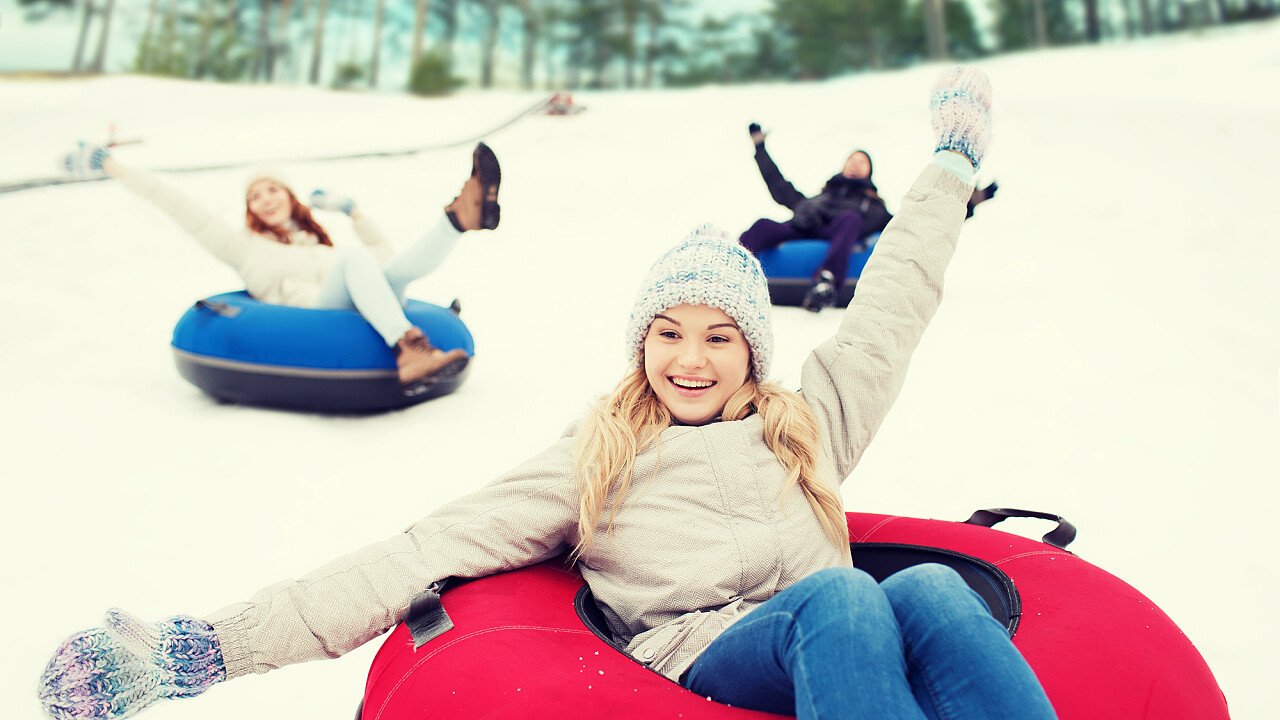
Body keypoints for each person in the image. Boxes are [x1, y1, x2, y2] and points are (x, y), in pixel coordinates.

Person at [38, 67, 1057, 720]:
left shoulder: (811, 421)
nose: (689, 360)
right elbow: (419, 551)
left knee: (923, 588)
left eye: (716, 338)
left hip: (841, 654)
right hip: (704, 660)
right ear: (640, 345)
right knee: (841, 595)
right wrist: (208, 646)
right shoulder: (600, 453)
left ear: (752, 351)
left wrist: (951, 159)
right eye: (666, 335)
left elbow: (893, 301)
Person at [60, 142, 503, 393]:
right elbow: (176, 203)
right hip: (310, 318)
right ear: (249, 209)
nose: (266, 198)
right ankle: (409, 350)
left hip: (360, 305)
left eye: (273, 189)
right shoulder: (242, 247)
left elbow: (389, 262)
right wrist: (112, 166)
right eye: (255, 195)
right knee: (356, 259)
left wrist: (354, 213)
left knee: (386, 269)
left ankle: (457, 221)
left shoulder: (319, 242)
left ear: (290, 198)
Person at [739, 125, 998, 312]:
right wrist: (760, 147)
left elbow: (917, 223)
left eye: (861, 161)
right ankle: (730, 263)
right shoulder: (816, 199)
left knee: (849, 218)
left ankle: (826, 283)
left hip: (842, 233)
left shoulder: (872, 208)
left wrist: (966, 203)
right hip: (805, 227)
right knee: (764, 224)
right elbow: (778, 184)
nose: (854, 164)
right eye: (851, 159)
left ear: (869, 171)